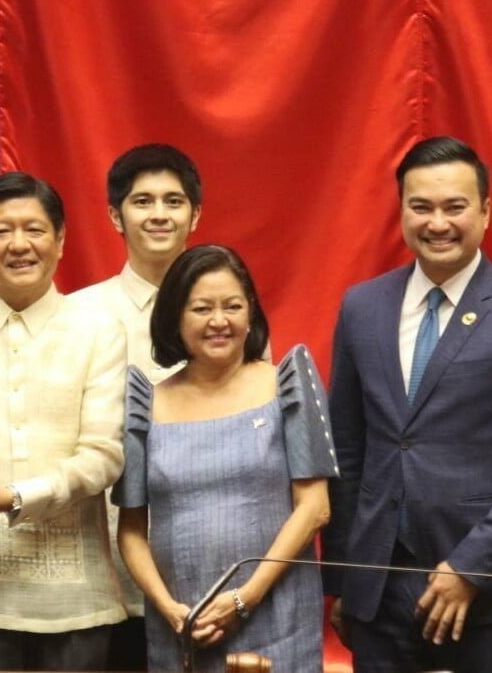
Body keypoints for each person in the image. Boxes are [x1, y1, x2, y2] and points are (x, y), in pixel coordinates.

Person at [322, 136, 492, 673]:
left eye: (455, 206)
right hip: (380, 585)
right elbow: (344, 447)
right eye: (421, 207)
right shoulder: (362, 306)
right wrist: (345, 578)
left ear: (485, 212)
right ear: (402, 212)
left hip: (488, 590)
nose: (437, 222)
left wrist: (471, 567)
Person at [0, 172, 127, 671]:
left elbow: (103, 457)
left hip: (76, 602)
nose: (18, 245)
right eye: (0, 231)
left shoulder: (97, 330)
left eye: (34, 229)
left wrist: (14, 497)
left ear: (60, 240)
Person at [114, 244, 338, 671]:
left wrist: (244, 597)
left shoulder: (286, 384)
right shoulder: (145, 405)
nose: (219, 321)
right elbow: (130, 532)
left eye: (232, 306)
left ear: (250, 312)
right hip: (179, 627)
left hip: (277, 619)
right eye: (201, 308)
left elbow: (315, 508)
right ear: (175, 316)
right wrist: (169, 608)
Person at [70, 143, 202, 670]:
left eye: (173, 201)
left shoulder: (231, 313)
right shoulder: (78, 314)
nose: (159, 214)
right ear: (114, 216)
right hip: (104, 565)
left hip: (202, 556)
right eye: (142, 201)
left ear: (196, 214)